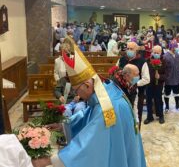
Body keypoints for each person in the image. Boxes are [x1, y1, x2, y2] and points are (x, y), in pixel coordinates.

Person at [39, 37, 146, 167]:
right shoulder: (105, 91)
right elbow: (88, 114)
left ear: (87, 85)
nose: (77, 95)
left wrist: (49, 161)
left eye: (76, 90)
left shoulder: (107, 107)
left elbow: (88, 146)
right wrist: (64, 125)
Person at [118, 42, 150, 129]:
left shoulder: (142, 61)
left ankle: (136, 135)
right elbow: (117, 72)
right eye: (127, 48)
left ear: (136, 50)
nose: (129, 50)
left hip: (138, 93)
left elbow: (147, 79)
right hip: (122, 92)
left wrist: (135, 84)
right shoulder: (122, 60)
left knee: (136, 115)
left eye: (131, 49)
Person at [144, 46, 167, 125]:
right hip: (149, 84)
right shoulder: (147, 61)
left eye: (158, 53)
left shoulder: (164, 62)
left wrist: (160, 77)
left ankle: (160, 115)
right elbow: (143, 72)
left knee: (158, 100)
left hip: (158, 84)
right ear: (151, 52)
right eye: (154, 52)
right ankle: (149, 116)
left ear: (161, 53)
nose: (156, 54)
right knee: (148, 100)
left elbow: (166, 75)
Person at [163, 41, 179, 112]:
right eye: (175, 47)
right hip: (168, 78)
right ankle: (167, 106)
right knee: (167, 93)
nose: (176, 48)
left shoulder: (177, 55)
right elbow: (164, 68)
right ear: (171, 47)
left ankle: (177, 105)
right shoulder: (165, 56)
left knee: (177, 92)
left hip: (176, 78)